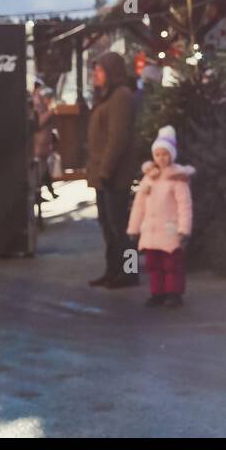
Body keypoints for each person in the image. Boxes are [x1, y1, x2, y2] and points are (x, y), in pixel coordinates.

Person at [86, 51, 139, 288]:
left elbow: (118, 137)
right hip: (102, 174)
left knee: (120, 226)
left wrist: (106, 171)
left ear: (111, 72)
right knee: (108, 225)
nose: (95, 75)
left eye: (99, 70)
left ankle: (129, 271)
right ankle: (113, 269)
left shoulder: (121, 97)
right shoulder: (107, 97)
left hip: (114, 175)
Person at [127, 126, 194, 309]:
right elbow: (138, 206)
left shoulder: (177, 179)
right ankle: (157, 293)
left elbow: (184, 206)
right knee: (153, 265)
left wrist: (184, 229)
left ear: (172, 155)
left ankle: (174, 293)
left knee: (172, 264)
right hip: (151, 230)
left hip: (170, 230)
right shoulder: (149, 178)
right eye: (157, 154)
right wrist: (133, 228)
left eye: (165, 154)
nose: (161, 158)